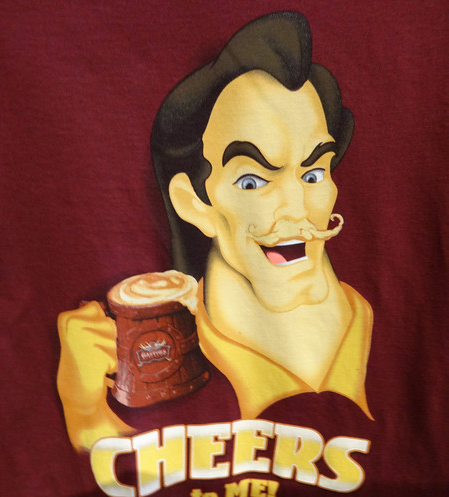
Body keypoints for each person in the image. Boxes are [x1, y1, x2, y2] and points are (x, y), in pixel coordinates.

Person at [57, 11, 373, 451]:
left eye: (314, 174)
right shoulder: (158, 361)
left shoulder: (382, 326)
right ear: (194, 204)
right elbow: (128, 479)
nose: (297, 207)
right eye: (253, 181)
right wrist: (85, 410)